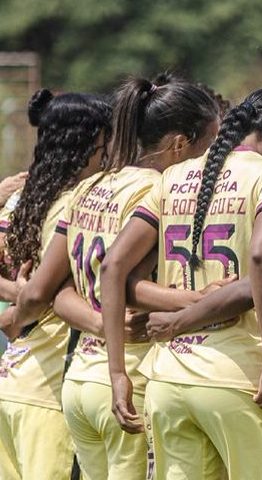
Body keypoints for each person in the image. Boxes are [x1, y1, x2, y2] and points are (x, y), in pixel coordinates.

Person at [13, 75, 221, 479]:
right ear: (180, 144)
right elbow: (121, 279)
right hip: (131, 378)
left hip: (79, 382)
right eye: (211, 143)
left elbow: (57, 291)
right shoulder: (160, 190)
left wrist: (96, 324)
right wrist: (202, 299)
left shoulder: (91, 186)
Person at [100, 88, 262, 479]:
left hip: (168, 378)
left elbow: (113, 266)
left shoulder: (173, 177)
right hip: (237, 377)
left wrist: (118, 374)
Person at [0, 89, 112, 480]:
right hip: (50, 391)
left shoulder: (20, 200)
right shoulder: (76, 206)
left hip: (12, 381)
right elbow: (39, 292)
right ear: (87, 146)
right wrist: (20, 308)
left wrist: (12, 300)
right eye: (105, 146)